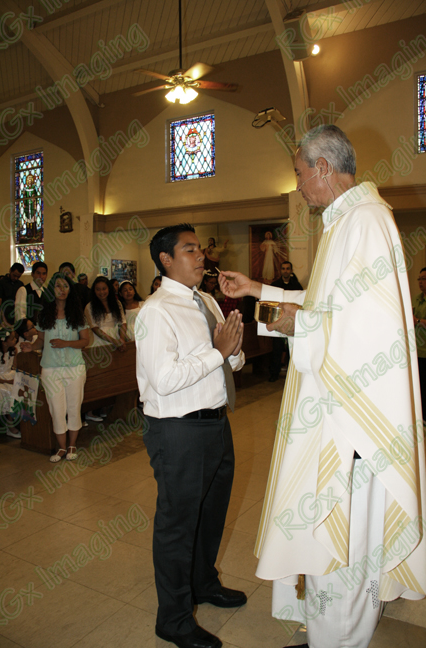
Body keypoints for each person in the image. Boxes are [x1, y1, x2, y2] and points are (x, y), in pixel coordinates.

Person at [219, 125, 425, 648]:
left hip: (353, 425)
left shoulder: (367, 221)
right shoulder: (344, 221)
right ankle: (328, 633)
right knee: (330, 534)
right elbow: (324, 304)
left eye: (299, 174)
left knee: (344, 541)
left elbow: (369, 333)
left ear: (324, 168)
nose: (298, 186)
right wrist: (258, 289)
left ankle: (341, 640)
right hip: (334, 413)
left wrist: (300, 324)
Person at [135, 223, 246, 648]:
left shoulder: (206, 301)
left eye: (200, 249)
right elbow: (164, 380)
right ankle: (174, 619)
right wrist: (217, 352)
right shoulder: (156, 311)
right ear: (166, 259)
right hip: (178, 429)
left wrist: (231, 353)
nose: (201, 256)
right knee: (178, 525)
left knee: (211, 513)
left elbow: (227, 363)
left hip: (215, 420)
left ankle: (203, 583)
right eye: (190, 249)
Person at [21, 273, 89, 462]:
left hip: (74, 368)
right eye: (58, 286)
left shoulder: (77, 314)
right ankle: (61, 448)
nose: (62, 290)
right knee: (56, 410)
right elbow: (41, 340)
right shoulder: (45, 315)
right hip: (51, 368)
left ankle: (72, 445)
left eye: (65, 286)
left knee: (74, 407)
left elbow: (85, 341)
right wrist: (31, 347)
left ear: (70, 289)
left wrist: (66, 343)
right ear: (52, 289)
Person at [268, 261, 303, 382]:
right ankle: (274, 373)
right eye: (283, 268)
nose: (285, 271)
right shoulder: (275, 285)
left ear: (291, 270)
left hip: (292, 322)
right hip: (278, 321)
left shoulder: (297, 285)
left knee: (291, 349)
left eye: (288, 268)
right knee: (277, 349)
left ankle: (290, 374)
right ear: (281, 270)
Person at [85, 276, 127, 350]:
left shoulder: (117, 303)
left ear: (109, 289)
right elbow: (94, 328)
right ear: (94, 291)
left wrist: (122, 339)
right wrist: (113, 341)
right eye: (98, 289)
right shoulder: (89, 306)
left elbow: (122, 322)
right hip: (98, 341)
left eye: (104, 289)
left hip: (116, 339)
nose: (101, 292)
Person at [413, 267, 426, 422]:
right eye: (419, 279)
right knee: (420, 386)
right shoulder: (416, 299)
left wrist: (417, 320)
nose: (420, 282)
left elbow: (416, 320)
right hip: (417, 351)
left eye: (423, 279)